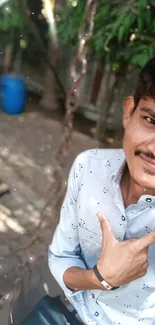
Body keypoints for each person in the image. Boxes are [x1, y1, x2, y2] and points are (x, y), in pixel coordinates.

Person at [48, 57, 155, 325]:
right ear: (129, 112)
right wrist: (100, 278)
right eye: (151, 120)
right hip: (66, 313)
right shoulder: (90, 167)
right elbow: (61, 256)